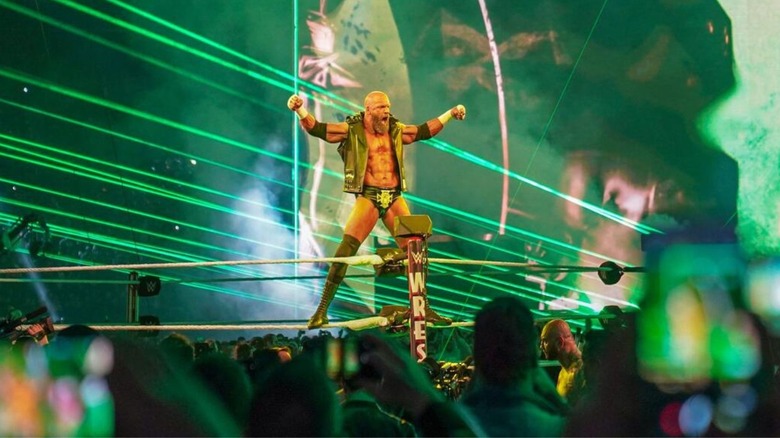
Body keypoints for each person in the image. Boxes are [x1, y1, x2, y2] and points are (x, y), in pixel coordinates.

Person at [287, 91, 467, 329]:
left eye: (388, 107)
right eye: (381, 107)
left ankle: (423, 308)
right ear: (368, 109)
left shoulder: (395, 129)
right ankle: (321, 311)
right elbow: (318, 129)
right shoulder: (351, 129)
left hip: (393, 197)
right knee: (346, 250)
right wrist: (300, 109)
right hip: (369, 197)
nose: (386, 112)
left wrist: (451, 114)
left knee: (416, 252)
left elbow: (423, 131)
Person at [459, 296, 567, 436]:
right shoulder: (555, 429)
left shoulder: (449, 428)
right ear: (533, 355)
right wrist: (558, 401)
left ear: (477, 353)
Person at [540, 318, 586, 406]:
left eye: (545, 341)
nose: (541, 346)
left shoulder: (582, 371)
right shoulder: (564, 370)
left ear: (559, 343)